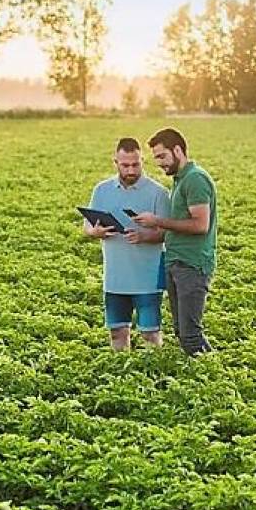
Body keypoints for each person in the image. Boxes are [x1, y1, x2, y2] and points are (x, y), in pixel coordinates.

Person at [132, 127, 217, 356]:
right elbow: (179, 224)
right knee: (182, 332)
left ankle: (214, 377)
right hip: (176, 262)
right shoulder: (181, 179)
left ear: (178, 150)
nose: (159, 163)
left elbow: (200, 225)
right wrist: (144, 234)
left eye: (162, 156)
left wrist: (158, 220)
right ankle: (204, 376)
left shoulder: (195, 179)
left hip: (192, 264)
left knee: (190, 335)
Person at [84, 137, 170, 351]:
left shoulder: (158, 193)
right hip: (115, 278)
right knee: (117, 331)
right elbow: (87, 226)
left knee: (150, 333)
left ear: (142, 161)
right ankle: (121, 371)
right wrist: (95, 232)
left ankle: (154, 377)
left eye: (136, 164)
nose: (131, 170)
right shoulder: (101, 190)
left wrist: (144, 236)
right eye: (125, 165)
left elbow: (169, 233)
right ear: (116, 162)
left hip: (148, 278)